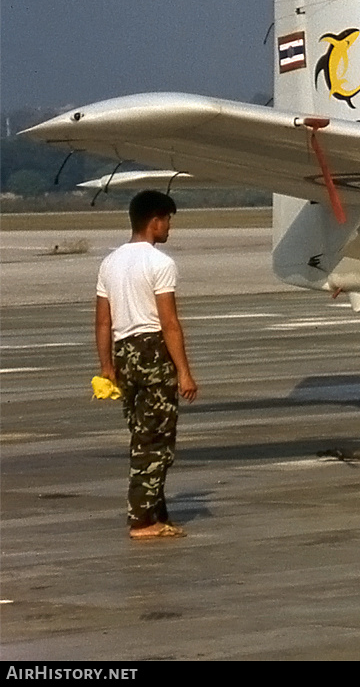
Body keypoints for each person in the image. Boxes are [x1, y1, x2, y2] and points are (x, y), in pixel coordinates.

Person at [95, 190, 198, 539]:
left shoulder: (110, 263)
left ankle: (155, 510)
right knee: (155, 440)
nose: (169, 227)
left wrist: (107, 365)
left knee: (141, 435)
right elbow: (169, 323)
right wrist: (184, 371)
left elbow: (103, 322)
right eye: (167, 220)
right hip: (153, 350)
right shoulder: (160, 263)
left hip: (124, 352)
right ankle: (141, 520)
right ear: (155, 220)